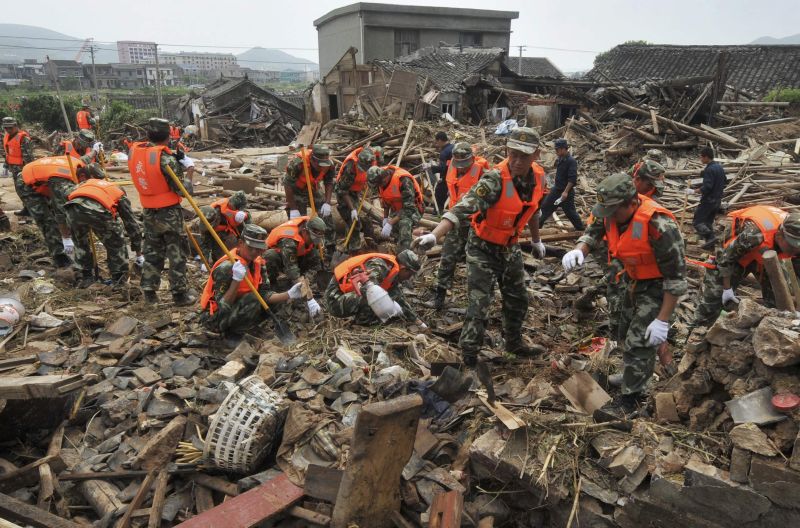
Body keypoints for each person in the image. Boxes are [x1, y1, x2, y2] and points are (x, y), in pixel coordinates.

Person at [414, 128, 548, 365]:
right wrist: (435, 236)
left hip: (510, 246)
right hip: (482, 247)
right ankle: (469, 355)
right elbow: (463, 207)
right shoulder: (494, 179)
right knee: (479, 303)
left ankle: (514, 344)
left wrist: (536, 240)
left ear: (536, 155)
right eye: (512, 153)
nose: (516, 161)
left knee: (518, 298)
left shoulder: (538, 177)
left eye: (523, 156)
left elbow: (533, 209)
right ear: (507, 150)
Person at [562, 173, 686, 411]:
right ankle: (634, 374)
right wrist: (580, 249)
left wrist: (662, 319)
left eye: (614, 211)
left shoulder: (660, 226)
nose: (608, 215)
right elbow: (594, 230)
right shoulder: (611, 211)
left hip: (658, 285)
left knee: (639, 340)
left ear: (631, 203)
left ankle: (631, 400)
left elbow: (676, 278)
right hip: (630, 278)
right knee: (622, 328)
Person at [199, 224, 319, 340]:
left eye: (258, 249)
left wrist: (288, 294)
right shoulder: (226, 268)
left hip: (239, 307)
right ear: (240, 243)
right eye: (251, 248)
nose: (254, 252)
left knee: (275, 298)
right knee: (252, 299)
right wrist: (236, 281)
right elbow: (222, 306)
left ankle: (248, 326)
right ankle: (234, 334)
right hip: (214, 318)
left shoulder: (258, 262)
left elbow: (264, 293)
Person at [692, 206, 800, 330]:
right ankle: (697, 331)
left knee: (781, 293)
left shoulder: (795, 245)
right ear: (780, 236)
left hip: (768, 255)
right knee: (713, 297)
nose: (795, 251)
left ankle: (770, 327)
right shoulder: (754, 234)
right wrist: (726, 289)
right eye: (792, 247)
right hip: (735, 253)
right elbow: (725, 259)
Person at [128, 118, 195, 306]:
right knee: (177, 253)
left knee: (152, 252)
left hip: (149, 211)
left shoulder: (135, 153)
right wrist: (189, 169)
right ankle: (179, 294)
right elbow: (182, 189)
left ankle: (149, 292)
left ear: (148, 134)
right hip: (170, 214)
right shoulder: (166, 159)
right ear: (168, 136)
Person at [430, 141, 490, 309]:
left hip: (475, 223)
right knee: (447, 256)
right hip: (455, 221)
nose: (462, 167)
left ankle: (475, 304)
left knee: (475, 263)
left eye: (465, 164)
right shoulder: (452, 167)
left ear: (472, 159)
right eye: (459, 164)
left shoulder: (482, 171)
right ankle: (439, 297)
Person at [64, 168, 143, 288]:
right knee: (116, 242)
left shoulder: (83, 184)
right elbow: (131, 224)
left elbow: (67, 194)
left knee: (81, 243)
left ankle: (86, 277)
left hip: (72, 210)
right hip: (98, 212)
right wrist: (139, 254)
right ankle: (118, 279)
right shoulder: (119, 192)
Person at [20, 155, 90, 267]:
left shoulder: (78, 165)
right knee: (47, 220)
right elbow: (60, 212)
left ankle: (62, 244)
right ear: (82, 175)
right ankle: (59, 257)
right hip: (25, 183)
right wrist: (66, 239)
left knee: (55, 210)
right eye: (84, 182)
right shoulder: (60, 180)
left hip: (43, 181)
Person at [325, 250, 425, 327]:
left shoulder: (393, 273)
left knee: (383, 297)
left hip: (345, 297)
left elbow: (399, 298)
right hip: (334, 300)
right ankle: (361, 326)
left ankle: (365, 321)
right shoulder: (380, 266)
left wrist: (417, 321)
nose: (409, 278)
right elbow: (368, 290)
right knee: (373, 296)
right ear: (404, 268)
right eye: (410, 274)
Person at [283, 144, 335, 257]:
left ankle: (330, 250)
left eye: (324, 165)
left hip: (312, 187)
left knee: (326, 216)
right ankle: (301, 252)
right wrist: (293, 208)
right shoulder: (297, 163)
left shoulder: (329, 164)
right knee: (300, 224)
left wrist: (327, 202)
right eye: (319, 165)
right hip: (296, 190)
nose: (322, 168)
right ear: (312, 160)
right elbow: (287, 184)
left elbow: (329, 182)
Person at [367, 165, 424, 252]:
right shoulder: (380, 183)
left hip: (414, 209)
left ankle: (404, 253)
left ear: (385, 178)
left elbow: (409, 208)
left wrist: (390, 222)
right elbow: (385, 202)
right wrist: (385, 218)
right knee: (392, 228)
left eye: (379, 184)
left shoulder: (403, 180)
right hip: (397, 209)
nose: (379, 186)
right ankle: (399, 242)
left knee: (404, 224)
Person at [334, 146, 381, 252]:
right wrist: (352, 209)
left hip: (356, 189)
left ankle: (362, 244)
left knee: (363, 220)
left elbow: (379, 151)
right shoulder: (350, 166)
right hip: (343, 191)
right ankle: (354, 249)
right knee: (354, 221)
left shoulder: (373, 156)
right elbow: (343, 190)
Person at [264, 215, 326, 286]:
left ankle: (306, 279)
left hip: (298, 253)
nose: (315, 242)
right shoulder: (289, 240)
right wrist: (299, 283)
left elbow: (316, 262)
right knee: (271, 255)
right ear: (305, 232)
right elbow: (291, 267)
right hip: (280, 256)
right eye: (313, 239)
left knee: (314, 254)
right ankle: (270, 285)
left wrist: (308, 278)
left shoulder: (311, 225)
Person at [538, 138, 584, 230]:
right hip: (556, 190)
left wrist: (565, 192)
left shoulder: (571, 161)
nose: (556, 151)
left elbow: (572, 179)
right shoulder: (560, 158)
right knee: (545, 208)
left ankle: (581, 230)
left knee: (570, 213)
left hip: (565, 193)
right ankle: (536, 229)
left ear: (563, 149)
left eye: (557, 149)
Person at [688, 146, 726, 249]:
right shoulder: (719, 167)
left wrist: (693, 191)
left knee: (697, 222)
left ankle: (710, 237)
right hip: (717, 200)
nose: (700, 159)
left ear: (706, 157)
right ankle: (710, 244)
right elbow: (723, 181)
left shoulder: (710, 169)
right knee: (708, 222)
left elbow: (707, 187)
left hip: (708, 201)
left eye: (701, 157)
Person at [198, 191, 250, 265]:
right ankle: (205, 262)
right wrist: (204, 261)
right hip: (212, 229)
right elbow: (205, 236)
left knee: (219, 253)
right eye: (236, 208)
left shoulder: (238, 211)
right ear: (232, 203)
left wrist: (243, 239)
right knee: (207, 244)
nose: (237, 210)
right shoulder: (217, 211)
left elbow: (242, 226)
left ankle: (217, 260)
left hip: (223, 230)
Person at [2, 117, 35, 217]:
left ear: (16, 126)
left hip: (23, 170)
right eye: (6, 128)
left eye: (10, 128)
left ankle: (32, 210)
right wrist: (6, 164)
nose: (8, 130)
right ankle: (26, 208)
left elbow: (28, 157)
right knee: (19, 190)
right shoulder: (7, 136)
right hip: (14, 168)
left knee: (26, 190)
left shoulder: (23, 138)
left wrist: (27, 171)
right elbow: (8, 152)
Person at [432, 131, 453, 211]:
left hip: (447, 178)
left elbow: (442, 168)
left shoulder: (444, 152)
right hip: (455, 177)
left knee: (439, 193)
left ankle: (437, 213)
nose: (437, 144)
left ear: (440, 140)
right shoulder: (453, 147)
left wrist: (431, 167)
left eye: (437, 142)